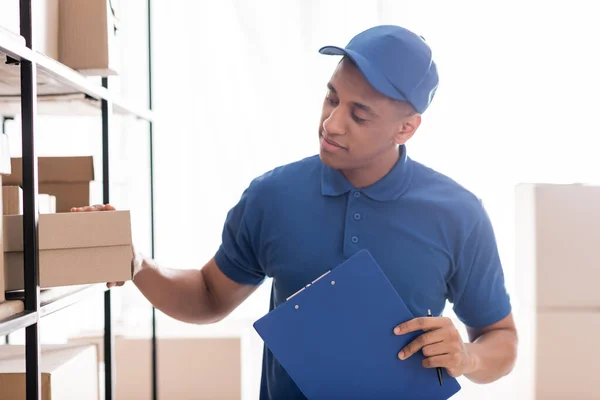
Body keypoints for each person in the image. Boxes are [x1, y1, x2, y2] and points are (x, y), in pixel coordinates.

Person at [73, 25, 517, 399]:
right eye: (331, 99)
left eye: (359, 116)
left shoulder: (458, 214)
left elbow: (502, 339)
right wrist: (136, 264)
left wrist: (467, 356)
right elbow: (208, 295)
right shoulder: (273, 195)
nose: (331, 123)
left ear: (407, 128)